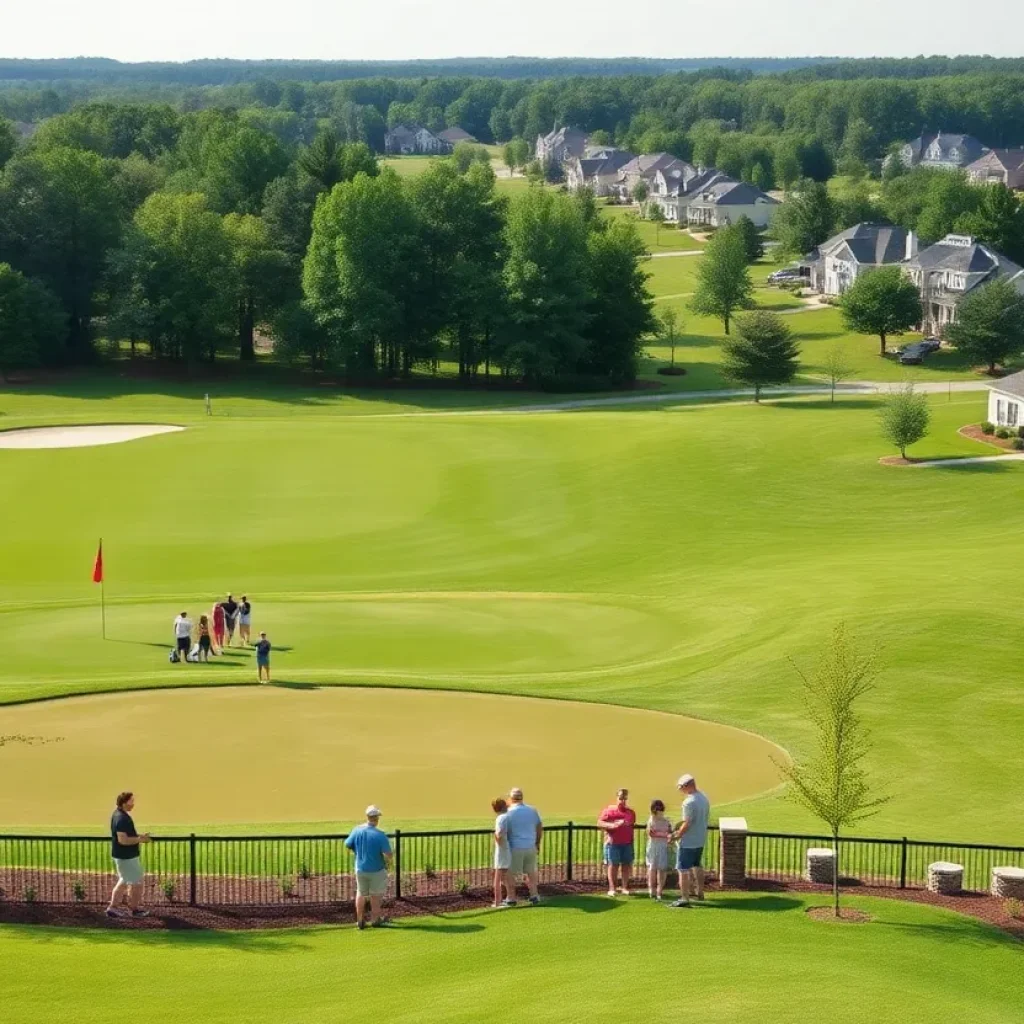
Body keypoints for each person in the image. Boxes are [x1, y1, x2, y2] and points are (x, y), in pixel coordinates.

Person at [344, 805, 393, 929]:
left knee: (360, 893)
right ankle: (375, 920)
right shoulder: (380, 835)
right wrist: (388, 861)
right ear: (376, 818)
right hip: (376, 869)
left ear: (367, 817)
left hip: (360, 868)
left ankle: (360, 920)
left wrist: (357, 851)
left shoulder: (357, 830)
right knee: (375, 895)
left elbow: (348, 844)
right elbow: (388, 854)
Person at [106, 791, 152, 919]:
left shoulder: (120, 815)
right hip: (126, 857)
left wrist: (139, 837)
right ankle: (132, 909)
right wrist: (140, 839)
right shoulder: (121, 818)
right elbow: (123, 840)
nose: (133, 804)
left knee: (125, 881)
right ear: (124, 803)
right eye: (131, 801)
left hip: (125, 856)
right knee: (136, 882)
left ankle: (116, 908)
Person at [670, 774, 711, 908]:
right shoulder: (703, 797)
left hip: (688, 841)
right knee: (697, 865)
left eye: (681, 787)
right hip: (700, 839)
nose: (680, 790)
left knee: (683, 869)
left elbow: (687, 823)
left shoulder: (689, 802)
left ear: (687, 786)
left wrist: (677, 835)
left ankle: (684, 898)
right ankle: (700, 892)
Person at [505, 787, 543, 905]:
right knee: (531, 872)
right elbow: (539, 827)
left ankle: (511, 898)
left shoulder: (508, 812)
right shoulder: (532, 810)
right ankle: (534, 895)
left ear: (511, 798)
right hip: (530, 846)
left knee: (510, 873)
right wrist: (537, 843)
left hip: (515, 847)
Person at [598, 788, 636, 897]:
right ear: (617, 798)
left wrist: (624, 824)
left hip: (627, 843)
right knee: (613, 865)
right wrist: (612, 825)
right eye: (620, 798)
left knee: (626, 865)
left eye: (625, 798)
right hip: (613, 843)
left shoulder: (631, 812)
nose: (623, 801)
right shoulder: (609, 811)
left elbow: (631, 824)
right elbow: (600, 823)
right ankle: (612, 888)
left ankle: (624, 887)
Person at [645, 799, 672, 900]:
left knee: (662, 869)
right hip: (653, 846)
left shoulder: (666, 821)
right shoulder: (651, 820)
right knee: (652, 869)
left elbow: (670, 832)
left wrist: (669, 836)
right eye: (656, 809)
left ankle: (659, 891)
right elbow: (651, 833)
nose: (658, 811)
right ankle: (652, 890)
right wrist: (666, 835)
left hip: (662, 846)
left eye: (660, 808)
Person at [491, 797, 514, 908]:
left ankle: (497, 902)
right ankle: (509, 898)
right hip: (507, 848)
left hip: (502, 849)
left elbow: (499, 835)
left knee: (498, 876)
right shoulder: (508, 817)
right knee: (506, 875)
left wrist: (495, 837)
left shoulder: (501, 818)